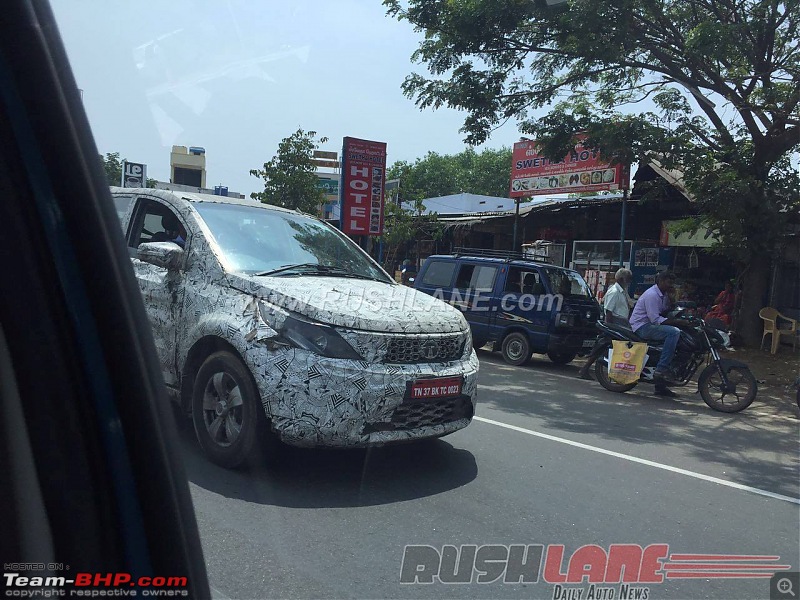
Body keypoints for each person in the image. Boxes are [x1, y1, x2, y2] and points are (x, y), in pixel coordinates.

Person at [629, 271, 690, 394]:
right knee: (673, 333)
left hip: (651, 325)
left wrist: (673, 300)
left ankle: (661, 386)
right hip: (643, 326)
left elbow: (666, 311)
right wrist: (677, 322)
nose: (671, 285)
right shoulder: (652, 295)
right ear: (661, 281)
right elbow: (655, 319)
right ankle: (661, 368)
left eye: (672, 283)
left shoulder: (664, 295)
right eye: (669, 282)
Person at [578, 268, 633, 380]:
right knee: (603, 346)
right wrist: (610, 328)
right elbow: (608, 311)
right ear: (622, 279)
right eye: (628, 279)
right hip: (614, 323)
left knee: (604, 347)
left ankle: (586, 369)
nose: (629, 282)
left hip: (621, 323)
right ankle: (587, 369)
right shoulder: (614, 292)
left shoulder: (622, 291)